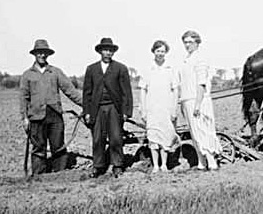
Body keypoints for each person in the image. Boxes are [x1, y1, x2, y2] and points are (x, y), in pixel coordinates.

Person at [19, 39, 82, 175]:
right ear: (35, 54)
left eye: (44, 53)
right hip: (36, 116)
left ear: (48, 54)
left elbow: (70, 91)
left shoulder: (55, 72)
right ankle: (38, 177)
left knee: (58, 147)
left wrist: (87, 104)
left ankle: (60, 175)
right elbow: (23, 98)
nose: (42, 55)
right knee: (38, 148)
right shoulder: (27, 75)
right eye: (39, 53)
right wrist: (24, 118)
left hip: (54, 116)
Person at [83, 37, 133, 178]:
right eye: (105, 50)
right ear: (100, 52)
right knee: (98, 138)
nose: (108, 53)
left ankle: (117, 165)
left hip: (114, 108)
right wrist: (87, 112)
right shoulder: (91, 69)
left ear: (113, 53)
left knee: (116, 138)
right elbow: (87, 93)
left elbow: (126, 92)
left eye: (110, 51)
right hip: (97, 108)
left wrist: (126, 112)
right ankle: (98, 166)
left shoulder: (120, 68)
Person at [178, 30, 221, 171]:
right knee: (194, 133)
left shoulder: (200, 59)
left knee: (202, 131)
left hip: (199, 100)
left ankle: (211, 162)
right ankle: (201, 162)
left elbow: (201, 84)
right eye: (185, 42)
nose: (187, 45)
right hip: (187, 100)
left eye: (190, 42)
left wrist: (197, 104)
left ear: (197, 42)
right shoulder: (186, 59)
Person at [139, 40, 179, 173]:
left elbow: (175, 90)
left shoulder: (170, 69)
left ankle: (164, 165)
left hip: (166, 109)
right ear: (153, 52)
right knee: (153, 137)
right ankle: (156, 165)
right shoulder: (148, 69)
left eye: (163, 51)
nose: (160, 54)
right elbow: (143, 90)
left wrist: (174, 108)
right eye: (158, 51)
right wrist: (143, 110)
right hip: (152, 109)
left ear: (166, 53)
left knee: (166, 137)